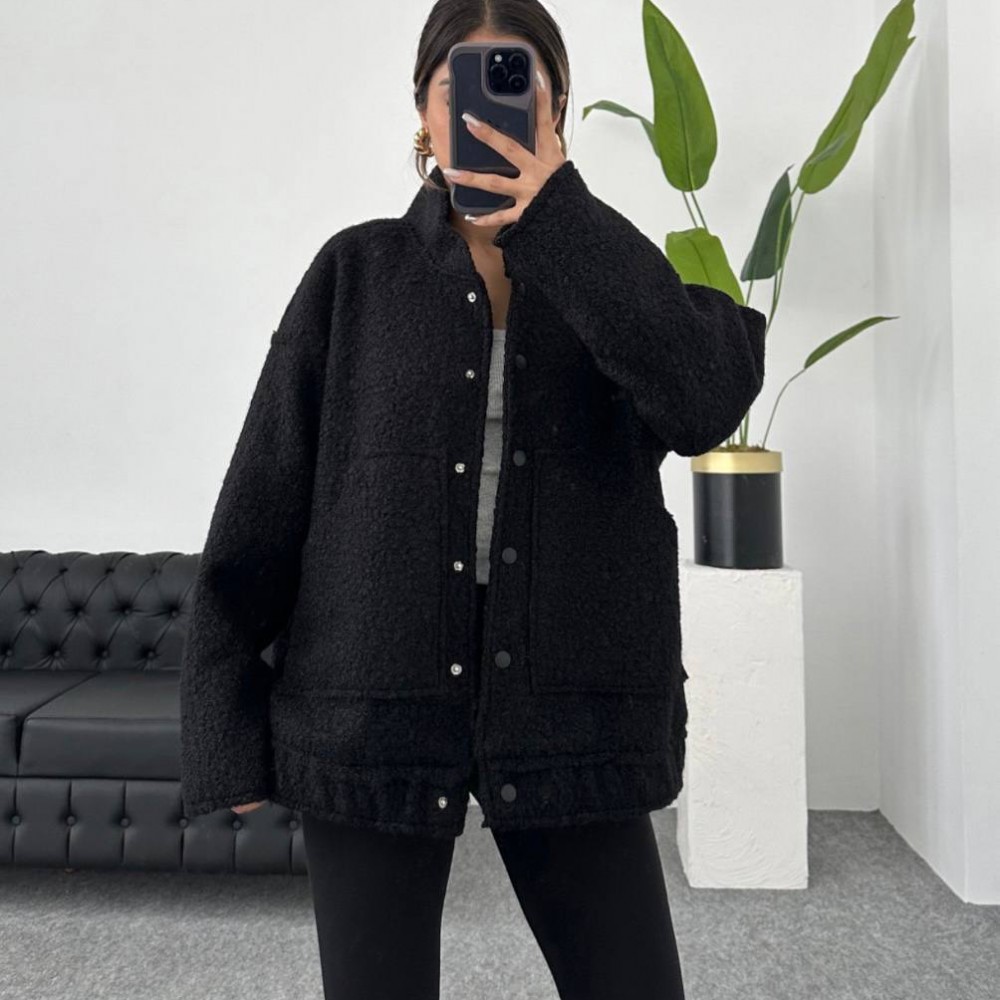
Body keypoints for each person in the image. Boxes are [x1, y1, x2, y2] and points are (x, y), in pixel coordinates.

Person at [180, 2, 767, 998]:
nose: (482, 107)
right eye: (456, 84)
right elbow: (263, 500)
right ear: (422, 110)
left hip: (572, 712)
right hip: (371, 710)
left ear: (556, 106)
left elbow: (704, 401)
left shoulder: (613, 272)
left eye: (514, 81)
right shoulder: (355, 272)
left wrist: (562, 219)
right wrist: (223, 727)